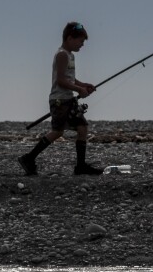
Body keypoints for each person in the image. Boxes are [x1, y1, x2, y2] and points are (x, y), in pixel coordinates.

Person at [18, 21, 103, 176]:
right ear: (70, 38)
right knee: (57, 132)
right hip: (59, 101)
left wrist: (84, 85)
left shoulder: (70, 56)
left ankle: (81, 167)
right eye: (80, 41)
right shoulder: (62, 54)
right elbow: (61, 81)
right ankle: (28, 158)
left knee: (82, 128)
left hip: (68, 100)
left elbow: (70, 78)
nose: (82, 45)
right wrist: (80, 90)